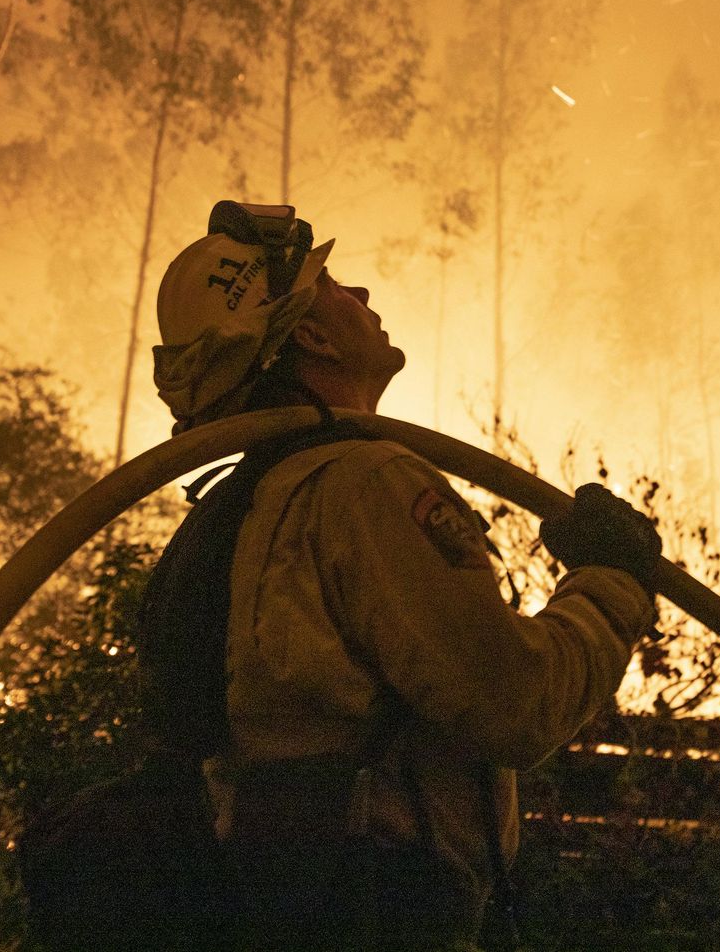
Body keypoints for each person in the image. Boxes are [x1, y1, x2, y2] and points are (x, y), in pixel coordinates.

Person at [147, 200, 663, 949]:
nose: (360, 298)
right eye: (333, 287)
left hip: (290, 907)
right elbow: (515, 701)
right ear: (312, 334)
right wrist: (613, 582)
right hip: (379, 913)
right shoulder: (363, 482)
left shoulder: (244, 508)